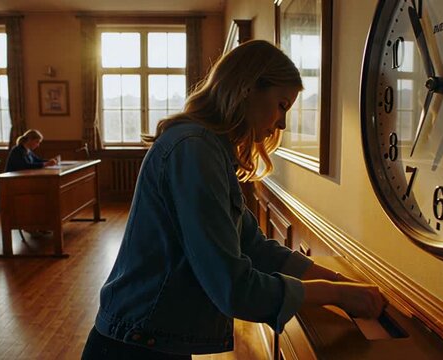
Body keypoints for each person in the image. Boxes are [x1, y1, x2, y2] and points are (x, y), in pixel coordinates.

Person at [81, 40, 387, 360]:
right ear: (248, 88)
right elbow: (233, 288)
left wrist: (339, 280)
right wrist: (335, 294)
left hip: (153, 337)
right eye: (282, 104)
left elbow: (252, 245)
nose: (282, 123)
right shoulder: (194, 149)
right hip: (134, 345)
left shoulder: (209, 147)